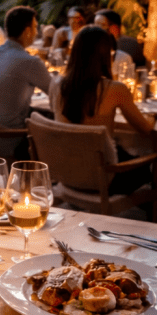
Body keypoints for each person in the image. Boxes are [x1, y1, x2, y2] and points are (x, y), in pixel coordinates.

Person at [50, 25, 154, 192]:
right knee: (148, 164)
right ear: (106, 55)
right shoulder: (114, 89)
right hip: (103, 179)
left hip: (67, 174)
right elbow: (145, 129)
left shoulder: (56, 84)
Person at [0, 6, 52, 156]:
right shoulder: (30, 62)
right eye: (35, 27)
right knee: (52, 122)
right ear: (27, 31)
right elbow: (56, 94)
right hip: (8, 140)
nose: (36, 33)